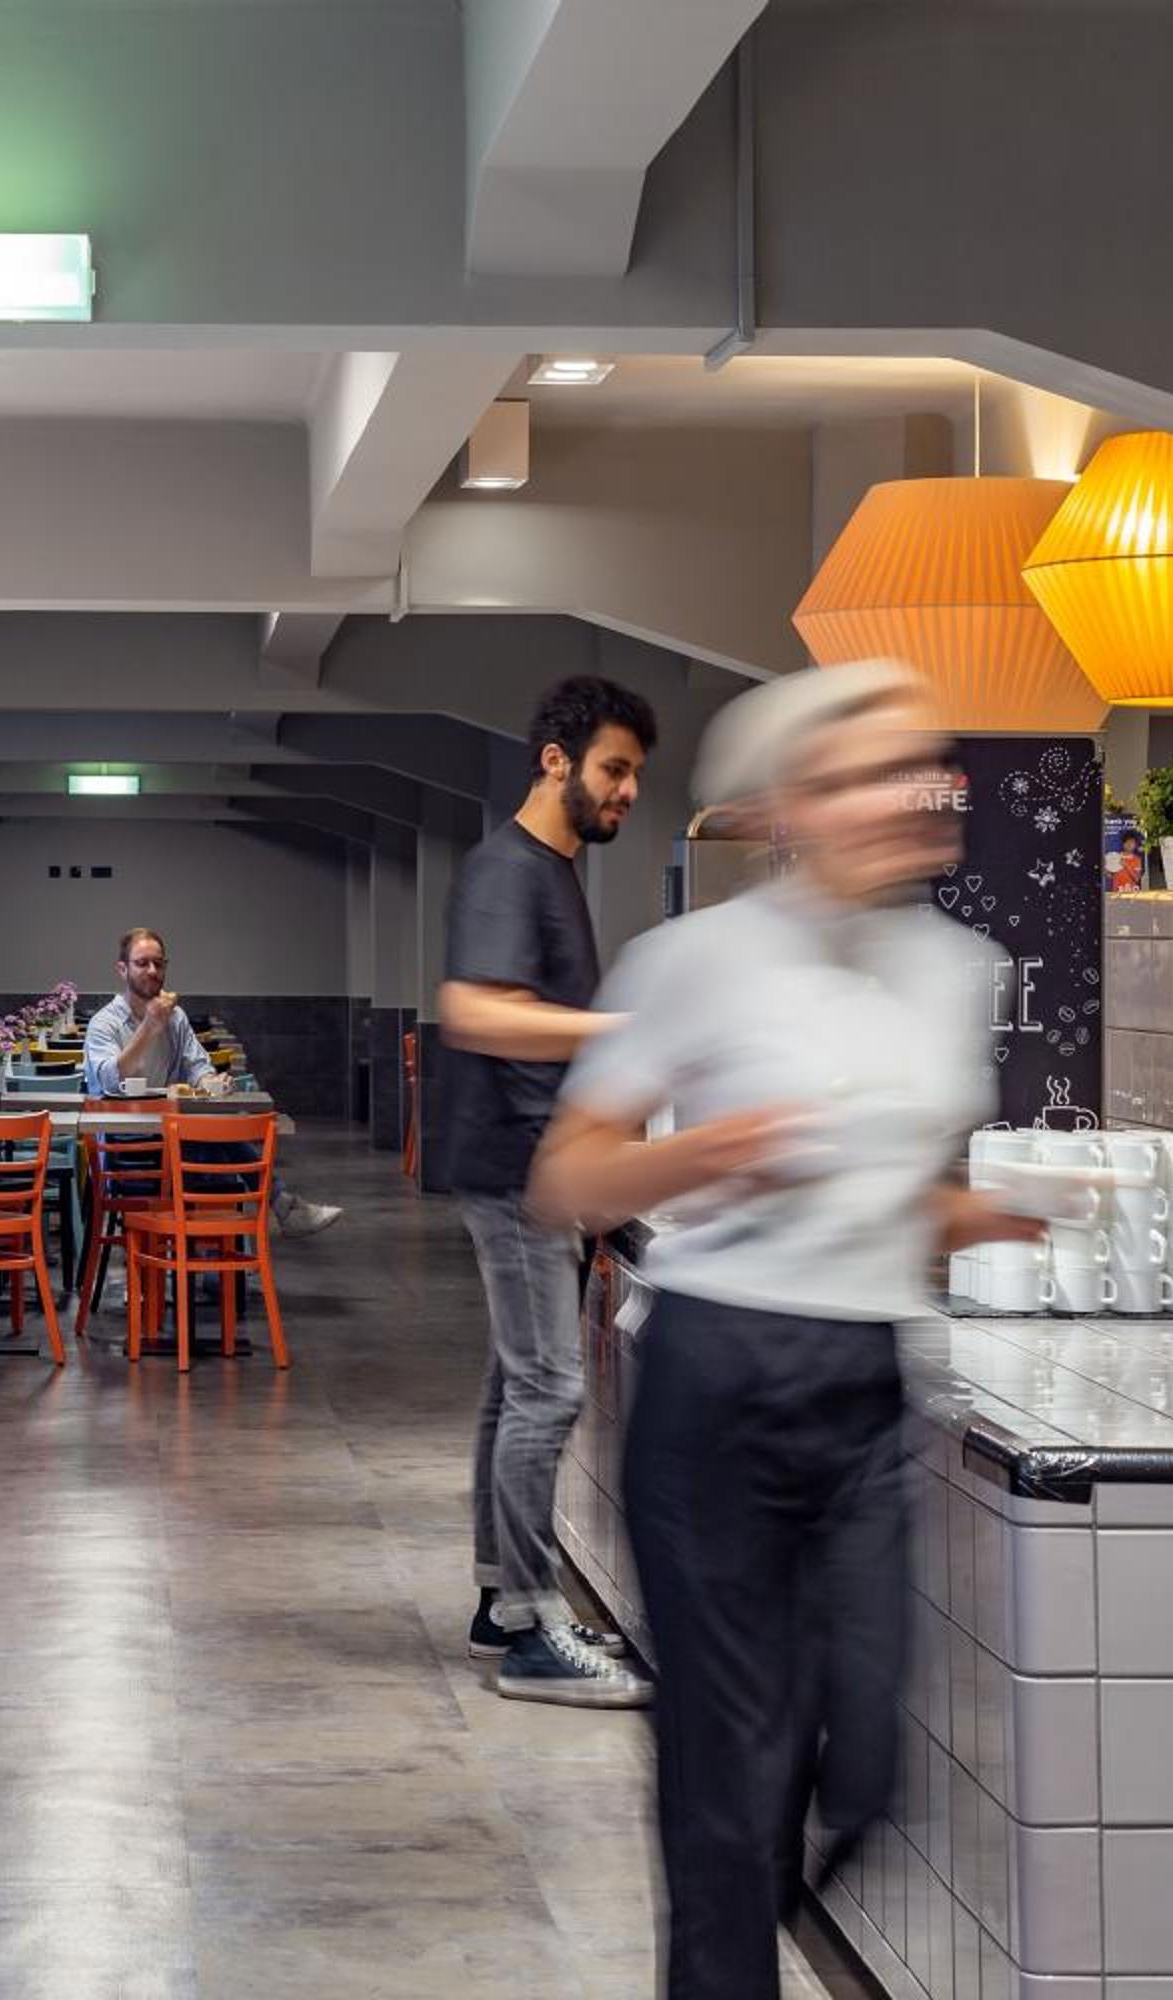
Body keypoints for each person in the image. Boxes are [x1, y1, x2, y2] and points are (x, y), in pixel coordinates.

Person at [527, 661, 1042, 1995]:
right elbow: (568, 1181)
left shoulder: (959, 970)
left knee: (863, 1751)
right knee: (728, 1763)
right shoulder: (693, 962)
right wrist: (708, 1154)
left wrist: (986, 1216)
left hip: (864, 1383)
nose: (909, 796)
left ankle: (752, 1867)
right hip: (714, 1380)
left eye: (920, 771)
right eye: (869, 775)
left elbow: (902, 1186)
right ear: (794, 805)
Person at [436, 674, 657, 1707]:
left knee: (514, 1381)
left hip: (540, 1164)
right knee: (547, 1390)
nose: (627, 791)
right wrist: (626, 1032)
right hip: (516, 1170)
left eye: (634, 775)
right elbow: (476, 1012)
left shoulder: (555, 871)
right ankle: (531, 1630)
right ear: (555, 760)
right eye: (614, 769)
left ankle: (502, 1598)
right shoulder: (507, 871)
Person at [83, 927, 343, 1237]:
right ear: (122, 969)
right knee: (217, 1149)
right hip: (126, 1149)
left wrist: (210, 1080)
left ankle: (215, 1244)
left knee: (217, 1141)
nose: (152, 971)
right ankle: (271, 1212)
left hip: (171, 1143)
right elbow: (109, 1081)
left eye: (159, 963)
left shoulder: (176, 1018)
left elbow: (197, 1065)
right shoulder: (104, 1023)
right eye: (142, 963)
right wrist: (148, 1028)